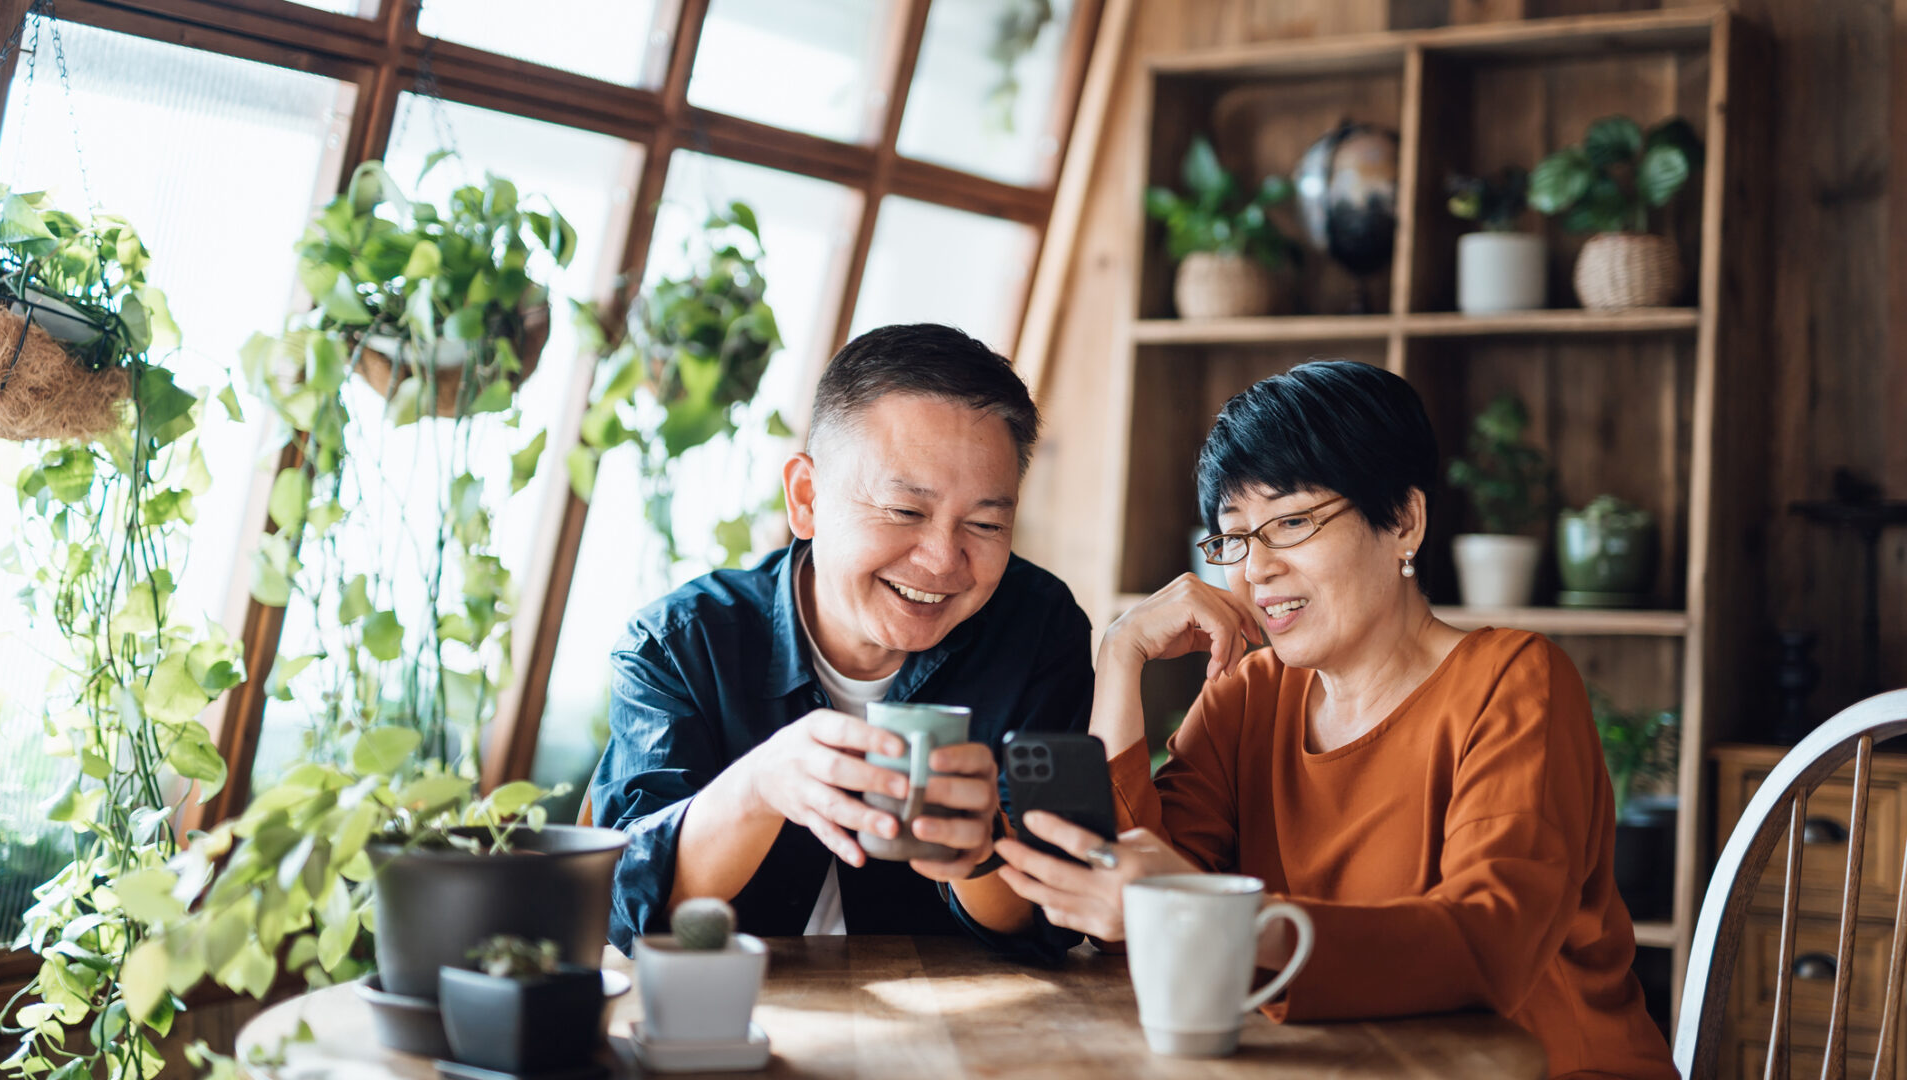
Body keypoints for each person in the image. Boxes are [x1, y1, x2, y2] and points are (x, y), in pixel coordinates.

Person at [993, 360, 1676, 1078]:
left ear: (1404, 521)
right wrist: (1121, 655)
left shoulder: (1514, 682)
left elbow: (1486, 945)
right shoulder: (1248, 695)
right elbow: (1130, 925)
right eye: (1232, 537)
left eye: (1291, 522)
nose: (1255, 569)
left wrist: (1216, 919)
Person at [595, 323, 1090, 961]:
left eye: (987, 522)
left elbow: (1056, 917)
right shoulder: (681, 645)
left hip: (959, 1034)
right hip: (734, 1015)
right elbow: (632, 911)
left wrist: (979, 855)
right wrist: (761, 785)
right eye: (906, 511)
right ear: (806, 497)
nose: (942, 560)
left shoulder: (1037, 630)